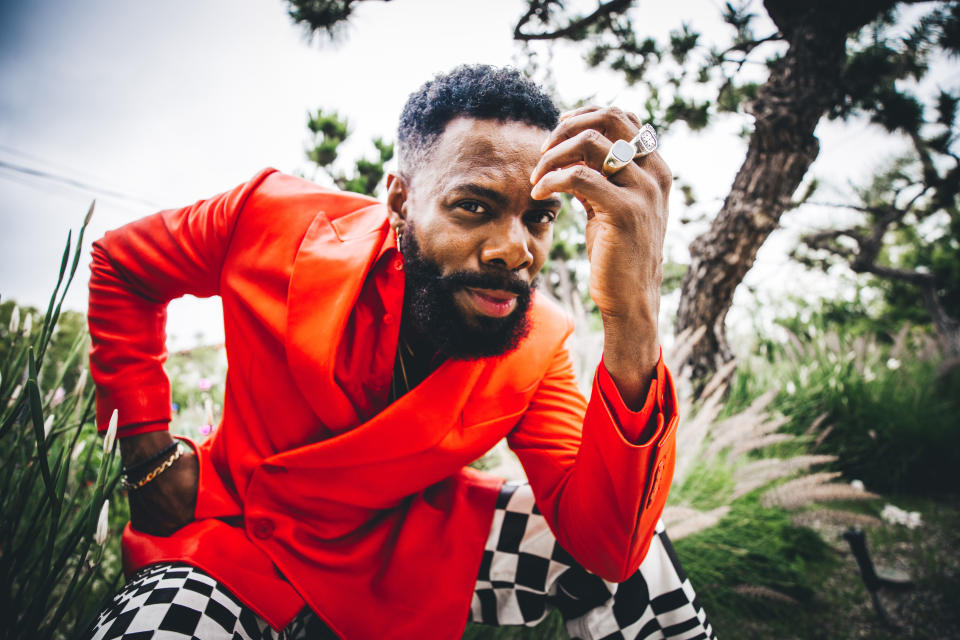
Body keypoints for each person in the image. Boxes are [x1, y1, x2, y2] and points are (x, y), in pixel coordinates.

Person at [84, 65, 715, 640]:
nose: (513, 249)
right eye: (474, 206)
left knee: (642, 565)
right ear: (399, 201)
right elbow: (123, 264)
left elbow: (607, 546)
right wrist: (144, 449)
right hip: (236, 540)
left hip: (410, 549)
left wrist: (632, 315)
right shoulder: (268, 219)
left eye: (538, 217)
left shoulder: (538, 341)